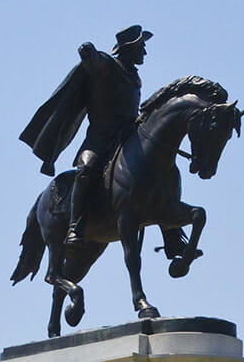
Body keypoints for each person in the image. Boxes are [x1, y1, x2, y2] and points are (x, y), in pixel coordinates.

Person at [19, 26, 151, 249]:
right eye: (142, 47)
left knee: (158, 166)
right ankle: (75, 226)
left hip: (128, 137)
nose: (145, 53)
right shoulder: (109, 66)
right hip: (101, 139)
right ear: (130, 49)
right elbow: (95, 62)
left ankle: (172, 234)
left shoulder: (133, 75)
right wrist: (89, 53)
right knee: (86, 170)